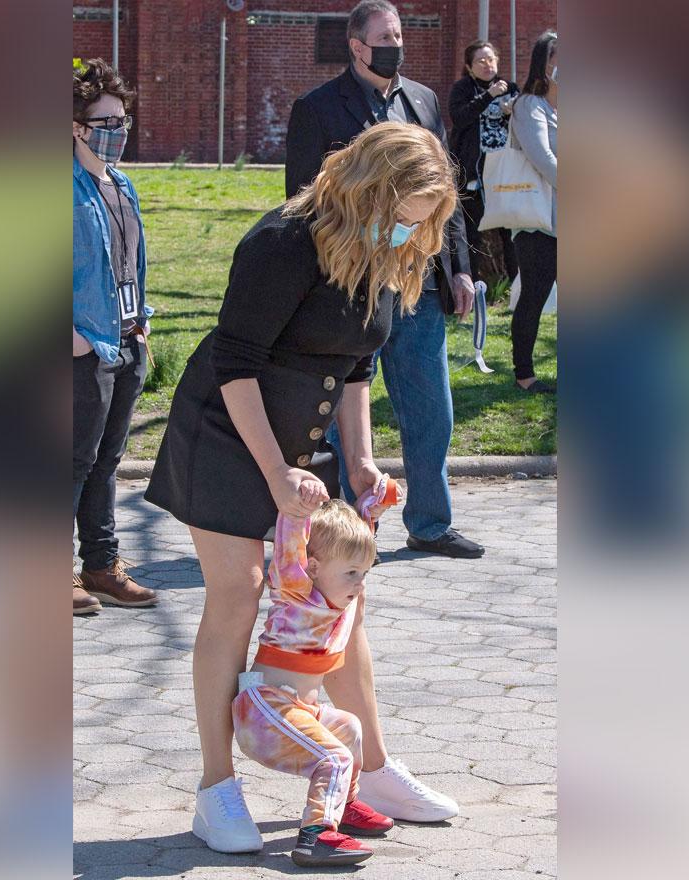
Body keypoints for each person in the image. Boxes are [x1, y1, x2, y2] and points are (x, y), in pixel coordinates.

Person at [145, 122, 461, 853]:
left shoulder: (379, 248)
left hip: (306, 445)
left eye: (418, 224)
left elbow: (354, 365)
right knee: (240, 591)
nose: (403, 234)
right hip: (229, 434)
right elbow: (236, 361)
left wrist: (360, 460)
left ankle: (372, 771)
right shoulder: (283, 242)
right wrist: (275, 473)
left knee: (340, 601)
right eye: (400, 216)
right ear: (368, 191)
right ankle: (216, 789)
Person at [284, 0, 485, 560]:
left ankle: (430, 522)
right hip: (352, 289)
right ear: (356, 46)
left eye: (400, 34)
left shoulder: (421, 101)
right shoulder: (318, 110)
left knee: (431, 410)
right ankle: (352, 532)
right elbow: (303, 205)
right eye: (385, 36)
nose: (396, 44)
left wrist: (461, 267)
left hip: (417, 285)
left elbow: (446, 196)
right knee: (348, 414)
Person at [231, 483, 400, 867]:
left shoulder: (337, 594)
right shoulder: (296, 591)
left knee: (350, 729)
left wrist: (375, 508)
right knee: (337, 757)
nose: (360, 584)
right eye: (353, 574)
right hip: (263, 709)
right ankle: (316, 837)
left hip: (298, 709)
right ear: (315, 567)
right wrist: (297, 512)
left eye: (365, 573)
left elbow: (353, 542)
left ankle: (344, 806)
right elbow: (292, 551)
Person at [73, 59, 158, 613]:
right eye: (106, 122)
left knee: (108, 460)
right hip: (85, 346)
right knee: (71, 460)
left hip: (126, 339)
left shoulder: (121, 186)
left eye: (123, 120)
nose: (117, 132)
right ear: (76, 128)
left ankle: (101, 565)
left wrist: (143, 320)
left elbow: (130, 263)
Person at [507, 32, 559, 394]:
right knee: (535, 295)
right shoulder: (529, 106)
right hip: (538, 221)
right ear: (544, 63)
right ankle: (524, 373)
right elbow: (544, 160)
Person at [449, 40, 521, 286]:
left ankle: (518, 291)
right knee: (471, 235)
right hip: (474, 176)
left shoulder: (511, 88)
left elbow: (526, 126)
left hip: (505, 174)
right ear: (469, 67)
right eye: (480, 60)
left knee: (510, 235)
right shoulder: (463, 89)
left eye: (491, 59)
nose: (487, 64)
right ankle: (469, 290)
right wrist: (488, 96)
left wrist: (516, 111)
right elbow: (459, 118)